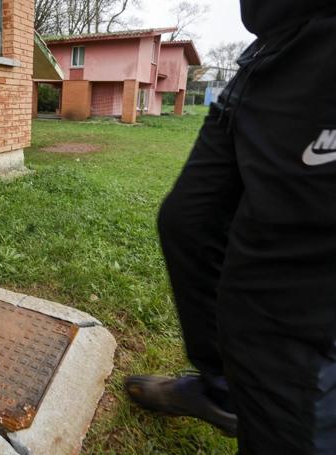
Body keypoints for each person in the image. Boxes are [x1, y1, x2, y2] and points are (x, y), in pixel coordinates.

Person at [124, 1, 336, 453]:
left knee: (274, 300)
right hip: (263, 57)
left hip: (324, 57)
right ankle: (223, 389)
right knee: (188, 222)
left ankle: (275, 419)